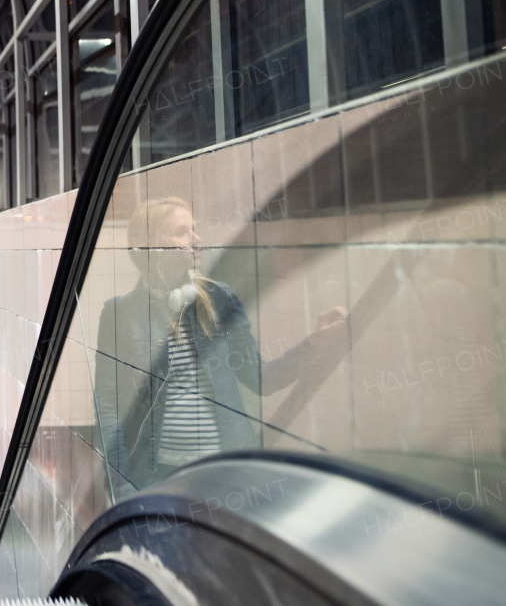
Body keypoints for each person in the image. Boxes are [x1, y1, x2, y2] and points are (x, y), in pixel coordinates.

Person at [95, 197, 348, 492]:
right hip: (154, 475)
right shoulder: (119, 314)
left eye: (194, 229)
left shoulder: (220, 299)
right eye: (181, 232)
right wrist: (120, 483)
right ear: (150, 245)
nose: (196, 239)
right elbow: (107, 405)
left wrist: (315, 343)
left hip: (225, 470)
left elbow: (261, 379)